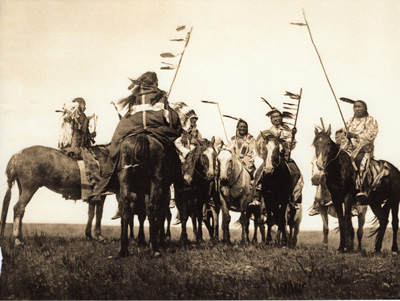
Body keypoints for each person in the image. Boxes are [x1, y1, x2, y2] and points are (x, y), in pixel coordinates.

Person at [90, 71, 186, 219]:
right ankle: (179, 183)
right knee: (172, 154)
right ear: (154, 82)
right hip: (156, 130)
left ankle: (108, 180)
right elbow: (170, 118)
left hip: (133, 129)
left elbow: (128, 115)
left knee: (116, 146)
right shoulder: (160, 95)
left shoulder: (134, 96)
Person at [309, 99, 379, 216]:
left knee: (358, 163)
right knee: (331, 164)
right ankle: (321, 198)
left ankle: (359, 193)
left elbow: (371, 135)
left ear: (365, 108)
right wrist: (341, 135)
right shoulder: (350, 121)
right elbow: (343, 136)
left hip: (363, 149)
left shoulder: (371, 120)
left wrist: (355, 135)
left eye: (359, 107)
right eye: (355, 107)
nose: (356, 109)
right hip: (348, 149)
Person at [253, 107, 304, 210]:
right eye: (273, 117)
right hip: (271, 159)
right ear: (271, 119)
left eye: (277, 116)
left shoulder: (288, 130)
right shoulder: (267, 132)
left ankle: (293, 197)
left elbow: (292, 146)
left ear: (281, 118)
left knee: (297, 173)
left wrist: (292, 137)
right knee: (258, 173)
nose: (276, 119)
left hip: (284, 158)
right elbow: (260, 146)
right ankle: (256, 197)